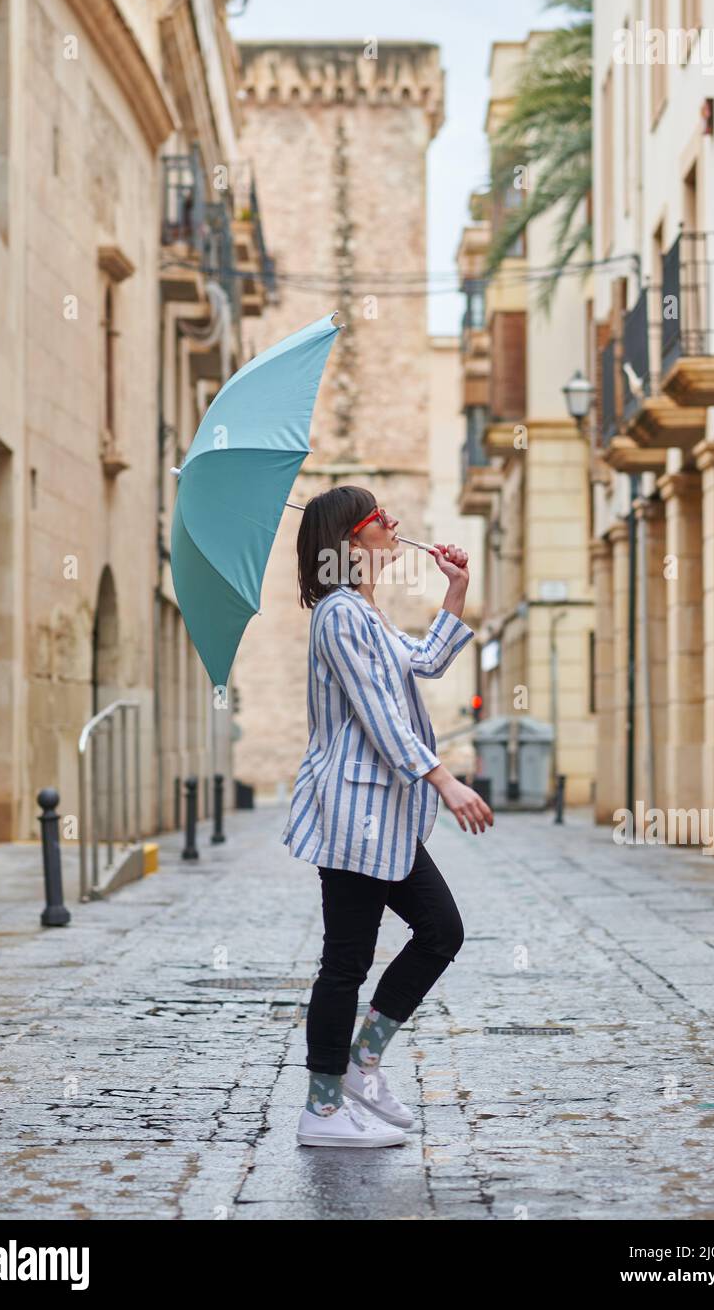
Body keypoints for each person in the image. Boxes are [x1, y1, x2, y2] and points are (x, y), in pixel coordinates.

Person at [282, 485, 493, 1148]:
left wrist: (454, 588)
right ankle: (319, 1111)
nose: (393, 523)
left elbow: (424, 662)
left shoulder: (364, 611)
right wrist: (443, 779)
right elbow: (379, 713)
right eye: (380, 518)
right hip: (352, 813)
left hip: (383, 816)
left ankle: (361, 1062)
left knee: (440, 932)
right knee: (344, 961)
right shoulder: (339, 613)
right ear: (350, 541)